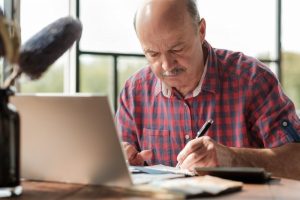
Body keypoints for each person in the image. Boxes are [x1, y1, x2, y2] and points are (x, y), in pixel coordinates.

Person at [115, 0, 300, 179]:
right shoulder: (134, 92)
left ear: (201, 30)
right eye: (153, 54)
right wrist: (121, 162)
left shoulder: (252, 80)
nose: (166, 65)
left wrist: (231, 159)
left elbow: (296, 160)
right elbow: (113, 168)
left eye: (177, 49)